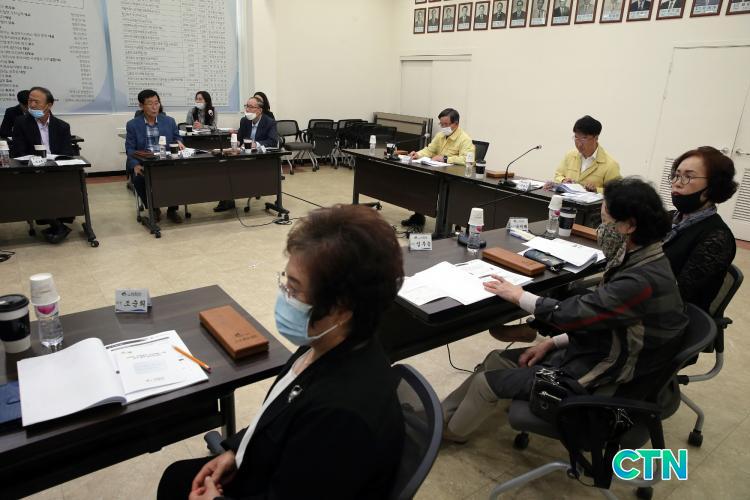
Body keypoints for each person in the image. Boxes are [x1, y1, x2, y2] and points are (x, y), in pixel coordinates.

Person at [157, 204, 405, 499]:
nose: (284, 295)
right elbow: (277, 416)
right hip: (269, 464)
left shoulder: (342, 418)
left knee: (176, 485)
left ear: (340, 308)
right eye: (286, 281)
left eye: (294, 289)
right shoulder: (327, 343)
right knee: (175, 478)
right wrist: (236, 450)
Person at [442, 177, 688, 442]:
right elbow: (608, 320)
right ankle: (439, 417)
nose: (601, 230)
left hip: (606, 377)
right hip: (599, 349)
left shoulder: (641, 280)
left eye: (605, 221)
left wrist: (519, 295)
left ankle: (447, 434)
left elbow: (576, 313)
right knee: (496, 360)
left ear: (629, 225)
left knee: (485, 383)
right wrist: (553, 343)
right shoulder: (644, 257)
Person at [663, 146, 738, 313]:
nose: (676, 183)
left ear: (713, 186)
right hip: (643, 301)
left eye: (688, 177)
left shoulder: (717, 237)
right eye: (676, 175)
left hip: (676, 318)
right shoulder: (670, 218)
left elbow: (678, 295)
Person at [9, 87, 77, 243]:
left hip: (56, 170)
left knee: (69, 182)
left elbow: (67, 152)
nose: (32, 105)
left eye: (36, 102)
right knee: (36, 186)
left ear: (49, 105)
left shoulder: (62, 126)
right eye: (29, 101)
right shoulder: (21, 123)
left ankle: (57, 223)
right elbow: (17, 152)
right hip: (32, 170)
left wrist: (53, 162)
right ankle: (57, 225)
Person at [404, 108, 475, 228]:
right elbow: (430, 150)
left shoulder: (465, 139)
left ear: (456, 124)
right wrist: (418, 154)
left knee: (432, 186)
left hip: (453, 178)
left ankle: (444, 228)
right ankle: (418, 217)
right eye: (441, 124)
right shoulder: (440, 135)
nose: (443, 127)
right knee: (418, 181)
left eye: (446, 124)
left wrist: (446, 158)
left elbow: (468, 160)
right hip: (438, 172)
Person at [125, 89, 184, 224]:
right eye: (150, 103)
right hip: (145, 163)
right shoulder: (133, 125)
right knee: (138, 179)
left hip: (166, 161)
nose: (154, 107)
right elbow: (130, 149)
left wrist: (179, 142)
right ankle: (153, 207)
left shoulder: (169, 121)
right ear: (141, 106)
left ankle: (172, 209)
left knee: (179, 175)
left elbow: (177, 137)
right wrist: (135, 165)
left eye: (157, 103)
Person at [213, 95, 279, 212]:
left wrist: (256, 144)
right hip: (244, 156)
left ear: (259, 110)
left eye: (251, 107)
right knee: (224, 164)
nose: (247, 109)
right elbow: (239, 139)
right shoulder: (244, 121)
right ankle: (228, 200)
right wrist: (235, 143)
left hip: (261, 159)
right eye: (246, 106)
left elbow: (273, 141)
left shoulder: (270, 122)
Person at [553, 115, 621, 193]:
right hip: (566, 200)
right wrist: (563, 180)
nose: (579, 144)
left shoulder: (610, 165)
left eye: (584, 138)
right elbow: (558, 176)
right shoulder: (570, 156)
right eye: (576, 137)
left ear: (596, 138)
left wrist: (596, 189)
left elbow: (616, 192)